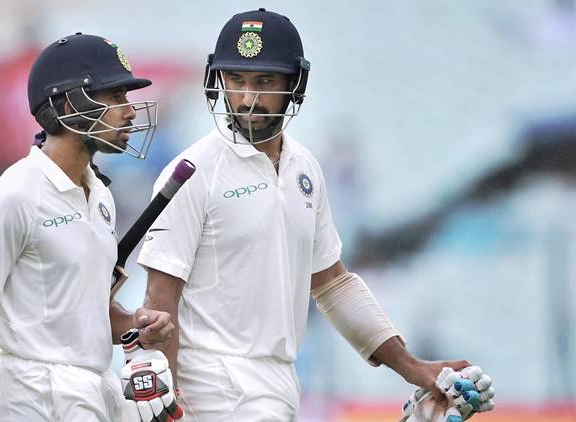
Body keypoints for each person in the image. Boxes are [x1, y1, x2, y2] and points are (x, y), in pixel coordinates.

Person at [137, 8, 492, 421]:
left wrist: (413, 369)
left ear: (294, 85)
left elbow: (333, 286)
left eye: (264, 81)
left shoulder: (304, 168)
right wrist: (171, 403)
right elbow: (159, 302)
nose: (248, 98)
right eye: (236, 80)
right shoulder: (192, 172)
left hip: (277, 385)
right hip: (211, 390)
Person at [0, 33, 174, 422]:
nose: (130, 111)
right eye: (115, 97)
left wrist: (135, 324)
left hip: (88, 389)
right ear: (70, 104)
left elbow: (90, 313)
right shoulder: (13, 196)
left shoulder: (101, 197)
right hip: (32, 397)